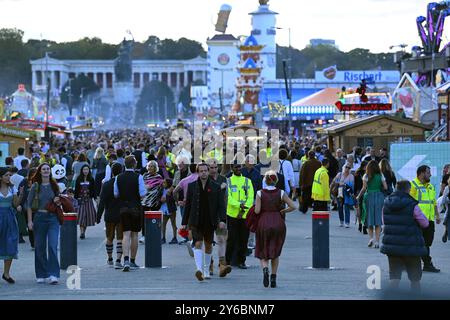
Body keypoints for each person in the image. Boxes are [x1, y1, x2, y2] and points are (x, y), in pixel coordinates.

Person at [380, 180, 429, 292]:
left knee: (394, 278)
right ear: (408, 189)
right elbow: (425, 223)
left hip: (392, 247)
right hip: (411, 247)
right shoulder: (412, 205)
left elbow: (384, 221)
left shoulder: (387, 203)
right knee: (415, 279)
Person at [182, 163, 226, 281]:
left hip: (210, 220)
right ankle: (199, 270)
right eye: (201, 171)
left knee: (208, 245)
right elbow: (188, 205)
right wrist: (184, 222)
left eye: (205, 171)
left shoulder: (216, 187)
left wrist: (222, 220)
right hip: (195, 219)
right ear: (198, 172)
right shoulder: (192, 186)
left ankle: (206, 269)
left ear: (208, 171)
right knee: (197, 243)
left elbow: (221, 205)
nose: (203, 173)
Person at [255, 170, 296, 288]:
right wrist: (283, 211)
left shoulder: (260, 193)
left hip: (264, 221)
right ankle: (273, 277)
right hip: (278, 221)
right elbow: (293, 206)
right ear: (276, 180)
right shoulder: (281, 192)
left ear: (265, 180)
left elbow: (257, 211)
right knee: (275, 251)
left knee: (263, 250)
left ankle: (265, 269)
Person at [27, 163, 61, 284]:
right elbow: (29, 205)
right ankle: (41, 274)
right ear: (40, 172)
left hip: (53, 218)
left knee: (52, 246)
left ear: (50, 171)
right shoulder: (35, 186)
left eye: (48, 169)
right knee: (39, 247)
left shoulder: (54, 185)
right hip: (39, 218)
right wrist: (30, 221)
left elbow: (59, 202)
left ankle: (54, 274)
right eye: (43, 169)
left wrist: (58, 202)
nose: (46, 171)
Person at [114, 156, 147, 272]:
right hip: (135, 207)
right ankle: (132, 261)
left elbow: (116, 194)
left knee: (125, 234)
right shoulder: (139, 177)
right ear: (134, 164)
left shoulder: (118, 177)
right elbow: (143, 194)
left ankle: (125, 260)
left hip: (123, 207)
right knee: (134, 235)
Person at [410, 165, 441, 273]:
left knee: (427, 243)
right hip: (417, 220)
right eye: (428, 172)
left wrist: (437, 215)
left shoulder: (431, 186)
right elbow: (409, 203)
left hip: (429, 220)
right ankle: (427, 264)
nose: (430, 174)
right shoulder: (413, 185)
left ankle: (421, 263)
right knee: (420, 243)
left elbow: (434, 202)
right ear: (422, 173)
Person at [225, 163, 254, 269]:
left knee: (244, 239)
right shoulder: (228, 181)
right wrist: (239, 206)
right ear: (232, 168)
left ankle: (241, 261)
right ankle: (227, 261)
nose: (238, 168)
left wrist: (243, 208)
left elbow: (251, 197)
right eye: (236, 167)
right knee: (231, 238)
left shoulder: (247, 181)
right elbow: (228, 197)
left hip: (245, 214)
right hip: (232, 214)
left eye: (239, 167)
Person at [97, 163, 124, 269]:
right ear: (121, 170)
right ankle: (118, 259)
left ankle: (109, 259)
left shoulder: (107, 184)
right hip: (121, 214)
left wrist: (98, 216)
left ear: (112, 172)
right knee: (120, 238)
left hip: (109, 214)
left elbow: (102, 201)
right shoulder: (122, 184)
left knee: (109, 237)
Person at [208, 159, 231, 277]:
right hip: (207, 214)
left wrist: (225, 215)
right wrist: (219, 188)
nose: (213, 170)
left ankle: (222, 264)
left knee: (222, 239)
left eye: (215, 167)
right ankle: (210, 263)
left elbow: (226, 197)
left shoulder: (223, 179)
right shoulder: (204, 180)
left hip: (220, 214)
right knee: (208, 241)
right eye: (211, 168)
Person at [357, 160, 387, 248]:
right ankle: (377, 241)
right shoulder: (381, 175)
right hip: (379, 196)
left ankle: (371, 239)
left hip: (369, 196)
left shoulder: (366, 176)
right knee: (378, 219)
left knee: (369, 218)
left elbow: (364, 188)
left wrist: (358, 196)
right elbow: (385, 187)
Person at [0, 167, 20, 284]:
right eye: (6, 175)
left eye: (9, 175)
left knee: (10, 243)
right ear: (0, 177)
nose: (9, 177)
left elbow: (15, 203)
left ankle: (6, 274)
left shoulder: (12, 188)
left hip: (10, 218)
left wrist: (21, 195)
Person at [141, 161, 164, 244]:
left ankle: (156, 235)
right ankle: (144, 235)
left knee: (155, 219)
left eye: (152, 166)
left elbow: (162, 189)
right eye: (149, 166)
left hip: (155, 201)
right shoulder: (145, 176)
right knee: (144, 219)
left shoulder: (159, 177)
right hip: (145, 201)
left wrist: (161, 198)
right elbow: (142, 187)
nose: (150, 168)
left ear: (155, 168)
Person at [74, 165, 96, 239]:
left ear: (89, 170)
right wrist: (75, 199)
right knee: (81, 216)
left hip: (88, 200)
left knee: (86, 216)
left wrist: (95, 198)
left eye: (87, 169)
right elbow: (76, 189)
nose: (85, 171)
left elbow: (93, 189)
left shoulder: (91, 179)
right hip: (81, 200)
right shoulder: (79, 179)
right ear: (82, 170)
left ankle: (83, 232)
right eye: (84, 169)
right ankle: (81, 232)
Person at [160, 178, 178, 244]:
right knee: (163, 224)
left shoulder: (171, 190)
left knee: (173, 224)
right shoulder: (162, 190)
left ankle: (174, 237)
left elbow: (173, 199)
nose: (163, 184)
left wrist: (166, 199)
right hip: (164, 209)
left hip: (171, 209)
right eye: (163, 182)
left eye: (164, 183)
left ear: (168, 183)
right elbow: (161, 198)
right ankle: (163, 238)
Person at [354, 161, 368, 234]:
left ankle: (360, 224)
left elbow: (355, 185)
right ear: (364, 166)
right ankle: (364, 226)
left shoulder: (357, 173)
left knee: (360, 209)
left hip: (359, 192)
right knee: (365, 210)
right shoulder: (367, 174)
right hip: (364, 192)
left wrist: (355, 194)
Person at [441, 176, 450, 243]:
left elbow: (443, 201)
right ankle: (447, 231)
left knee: (448, 220)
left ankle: (447, 231)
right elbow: (443, 200)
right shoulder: (447, 188)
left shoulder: (447, 188)